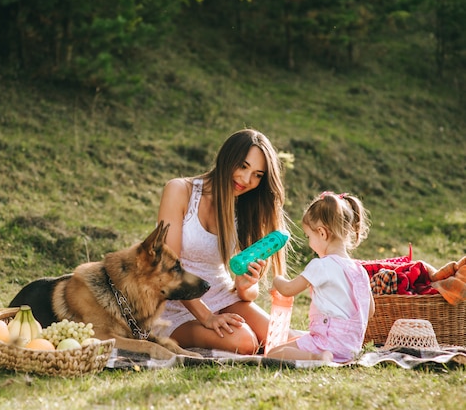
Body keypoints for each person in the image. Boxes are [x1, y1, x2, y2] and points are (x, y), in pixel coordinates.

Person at [154, 128, 291, 355]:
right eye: (243, 166)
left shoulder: (244, 206)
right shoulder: (180, 190)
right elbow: (167, 268)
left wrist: (246, 283)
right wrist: (207, 317)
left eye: (258, 175)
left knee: (279, 338)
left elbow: (247, 293)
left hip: (220, 294)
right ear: (227, 158)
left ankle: (342, 339)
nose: (247, 180)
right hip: (172, 301)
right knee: (245, 342)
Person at [267, 191, 375, 362]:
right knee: (293, 341)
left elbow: (288, 289)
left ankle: (316, 357)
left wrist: (277, 280)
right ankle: (322, 354)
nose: (309, 242)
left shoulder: (322, 265)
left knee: (274, 353)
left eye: (309, 236)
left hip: (327, 344)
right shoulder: (359, 270)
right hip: (350, 349)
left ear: (322, 233)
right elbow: (370, 311)